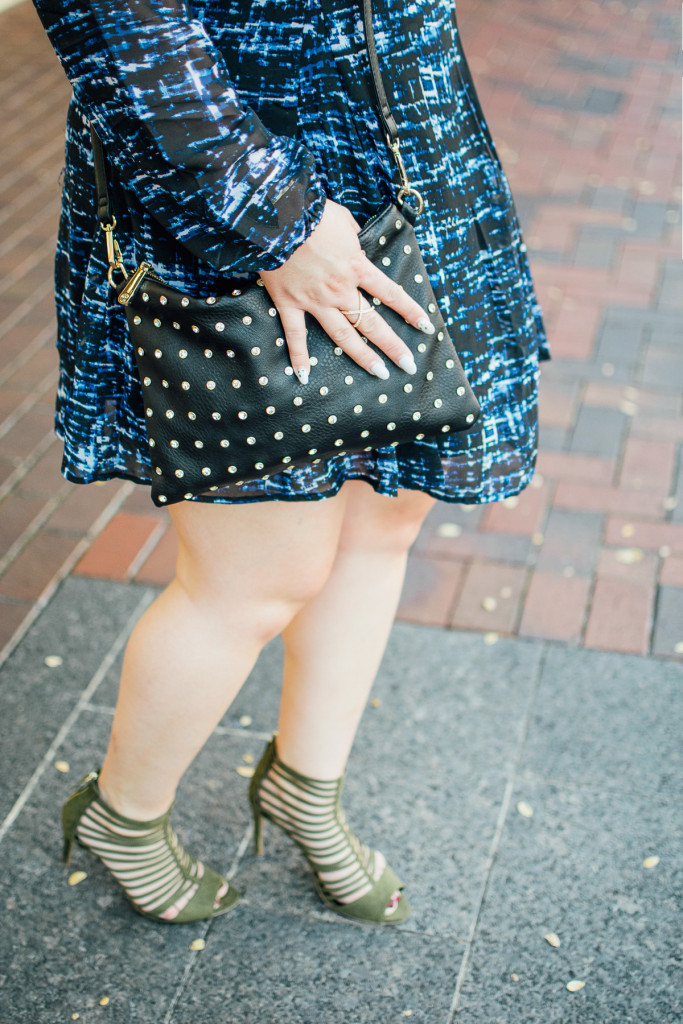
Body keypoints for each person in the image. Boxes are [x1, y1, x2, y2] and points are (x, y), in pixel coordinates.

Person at [35, 0, 549, 926]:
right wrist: (273, 222)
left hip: (412, 164)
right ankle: (125, 815)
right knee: (254, 578)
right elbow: (121, 27)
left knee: (382, 525)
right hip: (238, 204)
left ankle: (305, 787)